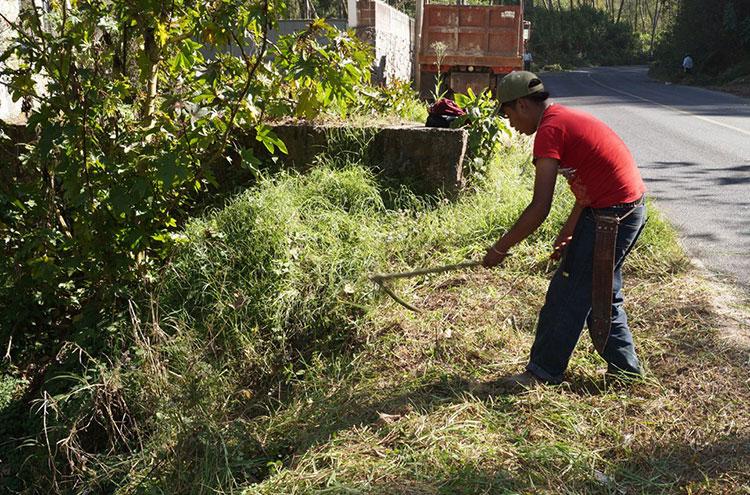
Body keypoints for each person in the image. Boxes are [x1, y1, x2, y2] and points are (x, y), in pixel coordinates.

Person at [484, 71, 647, 388]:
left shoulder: (550, 130)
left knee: (569, 292)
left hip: (614, 214)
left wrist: (500, 248)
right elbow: (588, 187)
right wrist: (568, 233)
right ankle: (626, 372)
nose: (511, 125)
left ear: (522, 105)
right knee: (601, 294)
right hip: (618, 209)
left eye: (507, 115)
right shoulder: (559, 119)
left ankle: (542, 372)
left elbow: (539, 207)